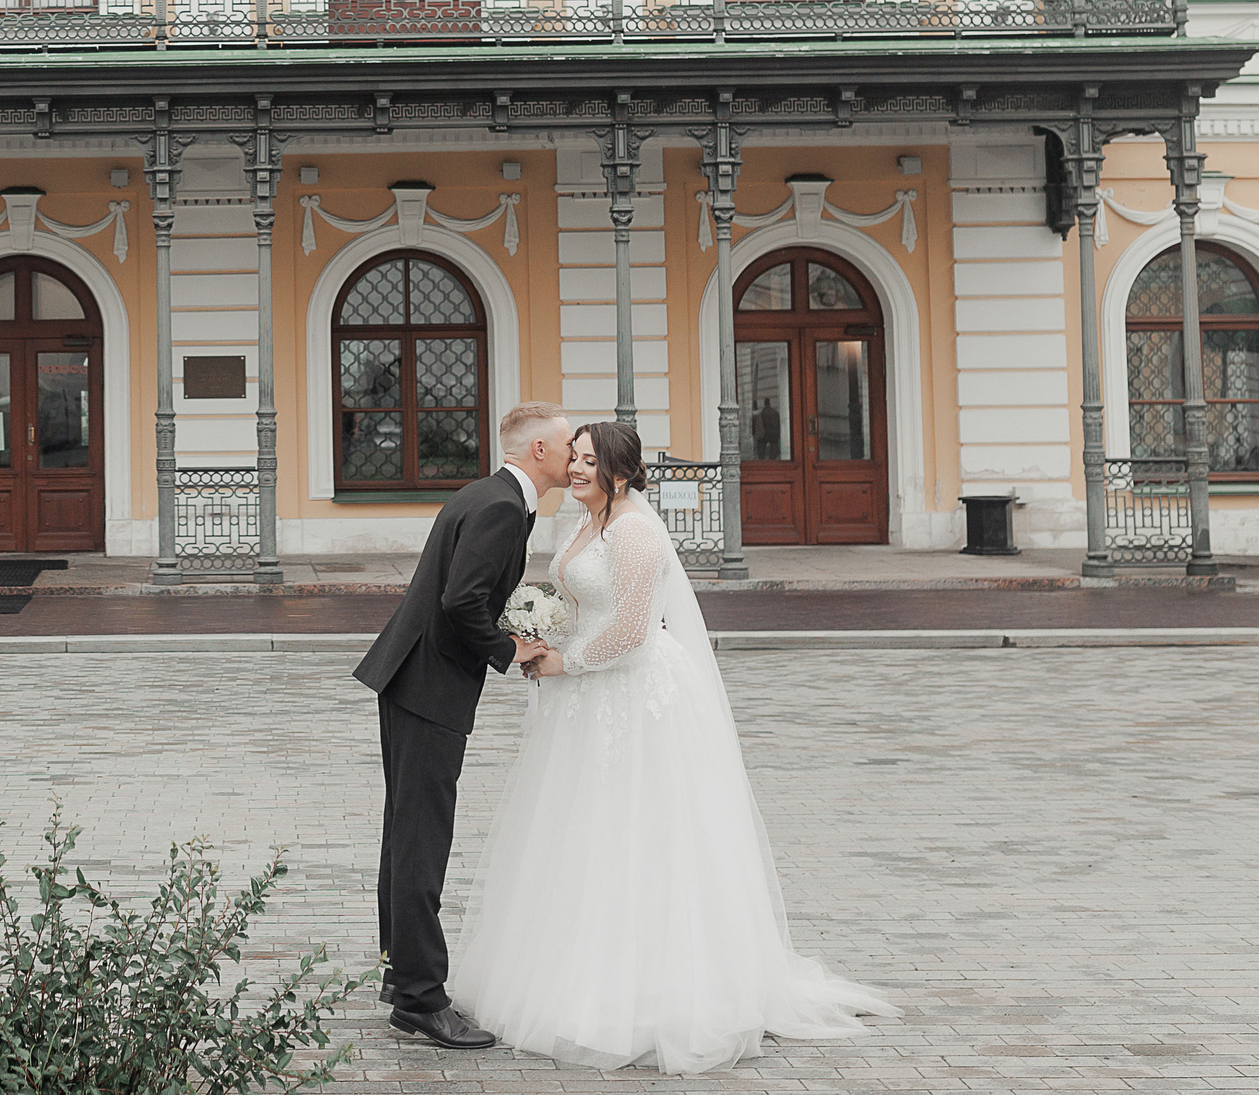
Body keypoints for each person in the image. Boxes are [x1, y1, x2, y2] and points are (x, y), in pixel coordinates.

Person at [447, 419, 899, 1073]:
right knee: (585, 833)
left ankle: (652, 989)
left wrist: (563, 663)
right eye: (572, 458)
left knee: (644, 833)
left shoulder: (632, 528)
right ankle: (574, 970)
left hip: (633, 697)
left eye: (587, 461)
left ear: (621, 473)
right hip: (588, 700)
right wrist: (538, 630)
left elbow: (630, 630)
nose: (574, 469)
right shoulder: (592, 521)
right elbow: (582, 602)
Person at [352, 401, 577, 1051]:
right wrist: (511, 649)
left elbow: (460, 593)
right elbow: (459, 600)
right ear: (538, 450)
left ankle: (404, 976)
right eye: (567, 446)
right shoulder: (502, 507)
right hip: (428, 686)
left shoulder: (488, 495)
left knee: (406, 834)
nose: (575, 455)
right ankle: (422, 1000)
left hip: (412, 678)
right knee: (422, 841)